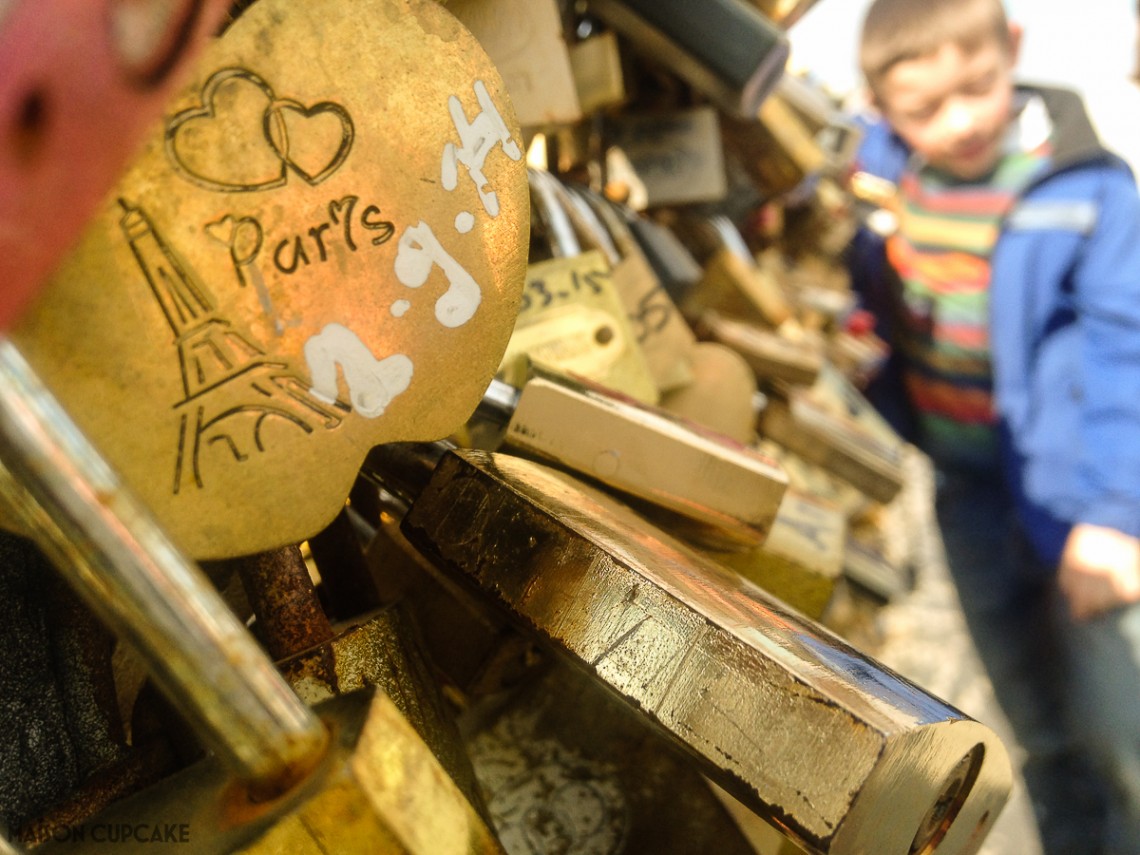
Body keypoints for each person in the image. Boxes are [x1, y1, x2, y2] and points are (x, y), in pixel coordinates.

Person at [847, 1, 1140, 852]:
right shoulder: (884, 181)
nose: (961, 121)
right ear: (880, 104)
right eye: (924, 109)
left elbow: (1128, 349)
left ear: (1011, 49)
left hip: (1077, 502)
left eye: (978, 87)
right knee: (1036, 729)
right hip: (967, 493)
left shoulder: (1084, 185)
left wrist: (1114, 517)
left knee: (1119, 726)